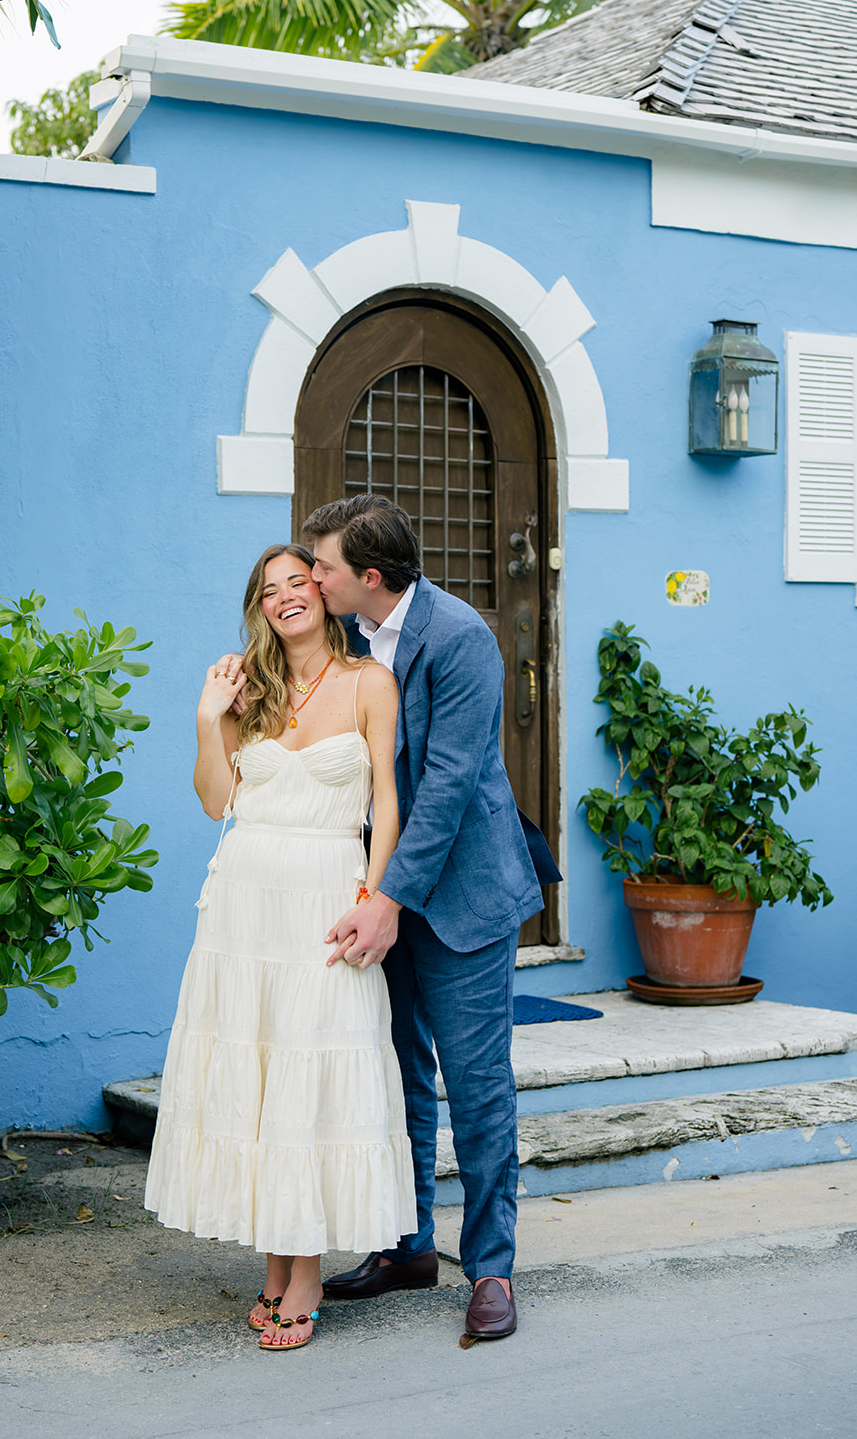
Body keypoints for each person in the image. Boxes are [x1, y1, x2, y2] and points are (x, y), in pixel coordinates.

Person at [300, 495, 561, 1345]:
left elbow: (446, 786)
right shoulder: (343, 637)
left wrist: (389, 902)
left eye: (325, 566)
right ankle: (406, 1246)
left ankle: (489, 1268)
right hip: (378, 895)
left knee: (476, 1086)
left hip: (461, 897)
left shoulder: (458, 637)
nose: (312, 576)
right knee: (394, 1079)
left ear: (368, 577)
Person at [143, 543, 416, 1351]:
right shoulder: (248, 687)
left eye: (299, 582)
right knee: (261, 1077)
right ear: (259, 607)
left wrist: (373, 900)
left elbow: (388, 806)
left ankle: (302, 1275)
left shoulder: (370, 681)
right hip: (242, 909)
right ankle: (277, 1263)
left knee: (307, 1074)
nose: (286, 597)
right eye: (270, 590)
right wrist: (207, 715)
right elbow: (216, 799)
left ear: (325, 593)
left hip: (324, 901)